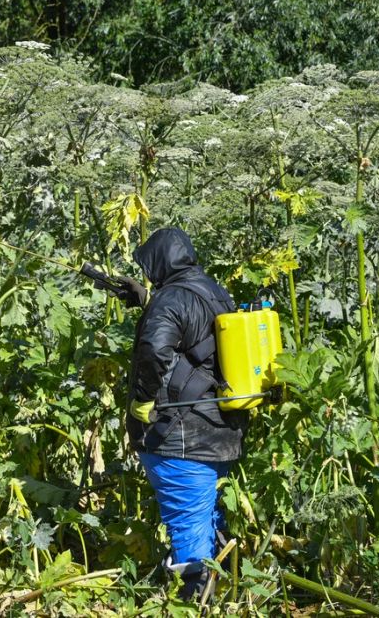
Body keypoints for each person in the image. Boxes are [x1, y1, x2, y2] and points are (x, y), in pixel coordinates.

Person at [109, 227, 247, 599]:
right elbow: (195, 338)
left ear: (159, 263)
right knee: (205, 517)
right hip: (221, 430)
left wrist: (141, 401)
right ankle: (223, 595)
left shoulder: (170, 299)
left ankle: (194, 600)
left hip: (180, 435)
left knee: (188, 525)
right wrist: (146, 301)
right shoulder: (216, 292)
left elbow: (155, 351)